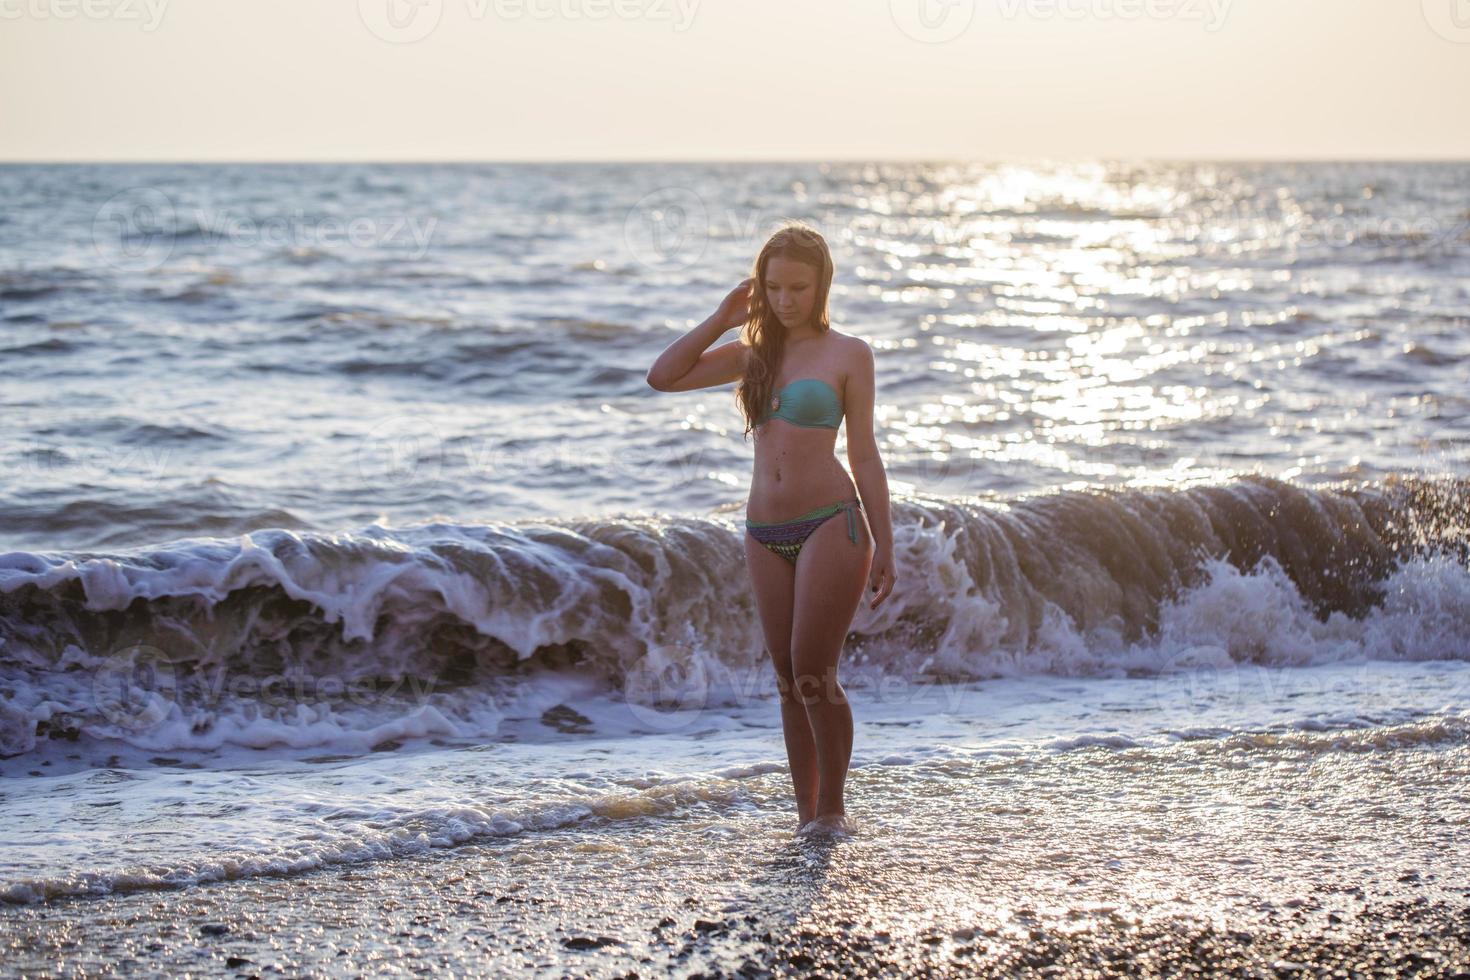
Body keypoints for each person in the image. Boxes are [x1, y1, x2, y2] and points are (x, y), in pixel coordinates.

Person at [645, 223, 896, 835]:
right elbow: (663, 376)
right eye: (774, 287)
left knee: (814, 668)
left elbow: (864, 454)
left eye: (798, 288)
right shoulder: (753, 353)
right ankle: (806, 816)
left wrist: (886, 542)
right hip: (763, 531)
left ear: (822, 286)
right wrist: (721, 318)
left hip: (831, 523)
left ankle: (833, 813)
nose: (785, 300)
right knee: (787, 679)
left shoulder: (849, 355)